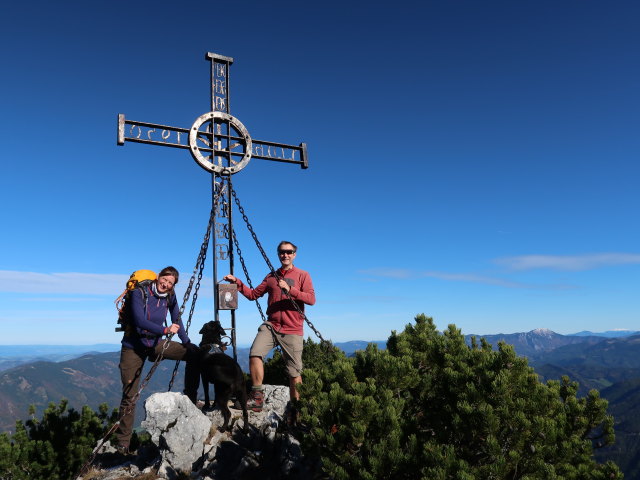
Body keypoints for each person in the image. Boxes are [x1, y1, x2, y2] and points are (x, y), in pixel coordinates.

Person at [115, 266, 200, 453]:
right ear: (158, 277)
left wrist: (187, 342)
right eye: (165, 279)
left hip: (154, 344)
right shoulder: (140, 293)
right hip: (133, 347)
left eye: (170, 283)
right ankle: (123, 442)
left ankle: (192, 400)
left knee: (194, 355)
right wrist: (165, 330)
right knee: (129, 395)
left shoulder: (170, 296)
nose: (166, 284)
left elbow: (176, 318)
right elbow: (139, 321)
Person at [224, 241, 315, 412]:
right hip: (271, 325)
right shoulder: (271, 277)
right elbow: (253, 295)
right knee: (254, 354)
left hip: (292, 329)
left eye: (289, 252)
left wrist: (290, 289)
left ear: (294, 254)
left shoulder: (303, 275)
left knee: (294, 373)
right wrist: (237, 282)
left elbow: (311, 299)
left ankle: (297, 409)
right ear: (278, 254)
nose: (285, 255)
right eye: (282, 252)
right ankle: (257, 398)